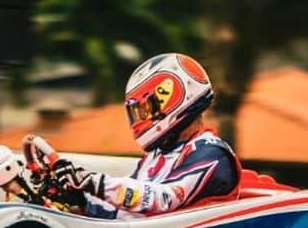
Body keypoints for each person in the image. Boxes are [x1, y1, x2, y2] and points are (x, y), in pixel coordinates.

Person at [48, 53, 241, 219]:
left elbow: (162, 199)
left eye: (144, 110)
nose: (139, 119)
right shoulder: (156, 156)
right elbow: (124, 212)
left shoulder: (212, 153)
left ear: (172, 100)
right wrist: (80, 200)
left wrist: (93, 182)